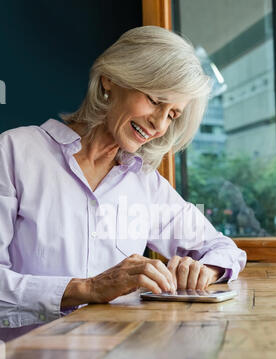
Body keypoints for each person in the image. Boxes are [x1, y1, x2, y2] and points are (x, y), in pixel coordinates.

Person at [0, 26, 246, 341]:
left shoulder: (145, 184)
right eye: (155, 101)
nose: (159, 124)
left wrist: (205, 270)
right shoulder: (15, 153)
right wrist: (87, 289)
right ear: (110, 80)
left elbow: (224, 249)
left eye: (172, 115)